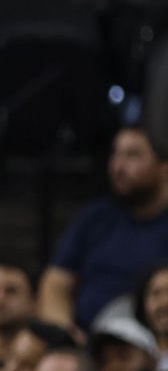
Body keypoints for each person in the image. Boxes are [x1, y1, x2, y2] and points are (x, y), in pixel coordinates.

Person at [40, 128, 168, 334]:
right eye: (115, 155)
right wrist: (65, 333)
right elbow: (55, 284)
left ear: (164, 168)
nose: (118, 166)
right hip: (87, 343)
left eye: (132, 155)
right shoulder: (96, 217)